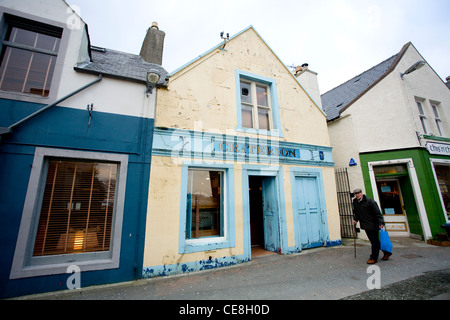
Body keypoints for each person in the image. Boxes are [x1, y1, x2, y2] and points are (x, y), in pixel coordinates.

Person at [352, 188, 392, 264]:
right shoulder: (355, 202)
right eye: (355, 194)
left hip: (373, 224)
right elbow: (356, 212)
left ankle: (373, 257)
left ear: (361, 193)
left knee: (374, 242)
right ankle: (387, 252)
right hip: (365, 225)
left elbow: (377, 213)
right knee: (375, 241)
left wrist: (381, 223)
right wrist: (355, 220)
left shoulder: (370, 201)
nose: (357, 195)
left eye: (358, 193)